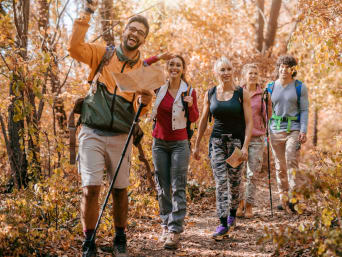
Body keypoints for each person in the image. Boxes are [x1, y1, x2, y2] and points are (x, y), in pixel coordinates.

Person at [67, 1, 169, 256]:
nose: (134, 34)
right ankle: (88, 241)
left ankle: (120, 237)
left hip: (122, 136)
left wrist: (145, 103)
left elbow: (142, 109)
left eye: (140, 33)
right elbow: (74, 47)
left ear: (144, 39)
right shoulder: (103, 54)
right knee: (90, 188)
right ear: (124, 30)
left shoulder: (145, 71)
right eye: (132, 29)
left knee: (120, 189)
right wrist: (87, 13)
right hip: (91, 131)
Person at [193, 56, 253, 240]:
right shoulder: (210, 93)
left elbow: (249, 122)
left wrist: (245, 147)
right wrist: (196, 146)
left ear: (232, 71)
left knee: (235, 184)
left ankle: (233, 214)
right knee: (221, 182)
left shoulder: (241, 93)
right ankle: (222, 222)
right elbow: (203, 121)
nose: (226, 73)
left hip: (236, 145)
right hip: (217, 143)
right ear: (216, 73)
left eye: (228, 69)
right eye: (222, 70)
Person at [151, 55, 199, 249]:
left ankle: (175, 229)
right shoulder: (158, 89)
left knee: (178, 185)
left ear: (183, 68)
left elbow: (194, 117)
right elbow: (143, 67)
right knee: (162, 185)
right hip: (159, 143)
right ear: (167, 68)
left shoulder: (189, 90)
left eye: (178, 65)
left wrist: (189, 104)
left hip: (180, 143)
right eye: (171, 64)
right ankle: (165, 224)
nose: (174, 67)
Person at [267, 55, 309, 213]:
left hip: (294, 128)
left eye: (288, 67)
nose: (284, 69)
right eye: (281, 66)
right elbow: (264, 110)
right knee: (280, 166)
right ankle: (283, 198)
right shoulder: (270, 87)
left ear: (293, 70)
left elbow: (304, 110)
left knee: (291, 161)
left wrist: (303, 130)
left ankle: (294, 199)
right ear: (278, 68)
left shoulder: (300, 87)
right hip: (275, 129)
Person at [236, 63, 272, 218]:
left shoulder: (263, 94)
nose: (253, 76)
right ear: (245, 75)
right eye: (250, 73)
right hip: (239, 137)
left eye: (255, 73)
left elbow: (268, 116)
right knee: (237, 172)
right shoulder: (237, 92)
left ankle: (249, 205)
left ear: (258, 76)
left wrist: (266, 132)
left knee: (252, 174)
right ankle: (239, 203)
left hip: (257, 137)